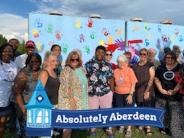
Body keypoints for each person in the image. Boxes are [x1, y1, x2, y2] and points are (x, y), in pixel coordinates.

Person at [85, 46, 114, 138]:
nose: (100, 54)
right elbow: (85, 78)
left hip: (105, 92)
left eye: (102, 52)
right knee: (92, 111)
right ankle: (92, 129)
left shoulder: (108, 65)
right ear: (95, 52)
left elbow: (111, 78)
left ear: (105, 54)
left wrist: (112, 91)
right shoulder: (88, 64)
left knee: (107, 111)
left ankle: (108, 129)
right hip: (92, 92)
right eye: (98, 52)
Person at [58, 50, 88, 138]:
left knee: (71, 125)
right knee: (67, 126)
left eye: (77, 59)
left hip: (79, 100)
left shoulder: (81, 69)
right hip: (69, 101)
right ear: (69, 60)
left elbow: (84, 83)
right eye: (72, 59)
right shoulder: (66, 70)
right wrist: (72, 101)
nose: (75, 61)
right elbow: (65, 87)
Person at [13, 53, 42, 137]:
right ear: (27, 62)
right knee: (26, 133)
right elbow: (17, 93)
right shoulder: (23, 74)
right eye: (32, 61)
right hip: (26, 107)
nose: (35, 63)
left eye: (37, 61)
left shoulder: (42, 72)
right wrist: (23, 109)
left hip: (38, 108)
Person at [155, 51, 182, 137]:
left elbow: (182, 80)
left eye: (171, 58)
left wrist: (174, 90)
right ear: (165, 58)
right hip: (162, 95)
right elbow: (156, 79)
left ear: (174, 58)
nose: (169, 59)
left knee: (175, 115)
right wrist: (161, 89)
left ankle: (176, 132)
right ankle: (165, 128)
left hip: (175, 96)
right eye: (167, 57)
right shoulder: (160, 68)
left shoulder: (180, 67)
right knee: (163, 113)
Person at [132, 48, 155, 136]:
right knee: (140, 107)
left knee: (148, 107)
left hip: (147, 89)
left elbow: (152, 78)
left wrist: (147, 91)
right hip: (138, 90)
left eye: (144, 54)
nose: (143, 55)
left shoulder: (150, 65)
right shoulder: (135, 65)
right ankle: (141, 123)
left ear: (147, 55)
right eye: (141, 54)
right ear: (139, 54)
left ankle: (148, 127)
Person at [113, 54, 137, 137]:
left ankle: (129, 129)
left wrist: (130, 95)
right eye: (119, 62)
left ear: (126, 62)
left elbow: (133, 83)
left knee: (128, 111)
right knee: (120, 111)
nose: (121, 64)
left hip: (128, 94)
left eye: (123, 62)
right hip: (118, 94)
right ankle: (122, 126)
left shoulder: (130, 70)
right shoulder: (115, 71)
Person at [0, 43, 18, 138]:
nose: (7, 53)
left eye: (10, 51)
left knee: (2, 123)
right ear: (1, 52)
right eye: (5, 51)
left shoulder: (14, 65)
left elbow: (15, 81)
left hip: (6, 101)